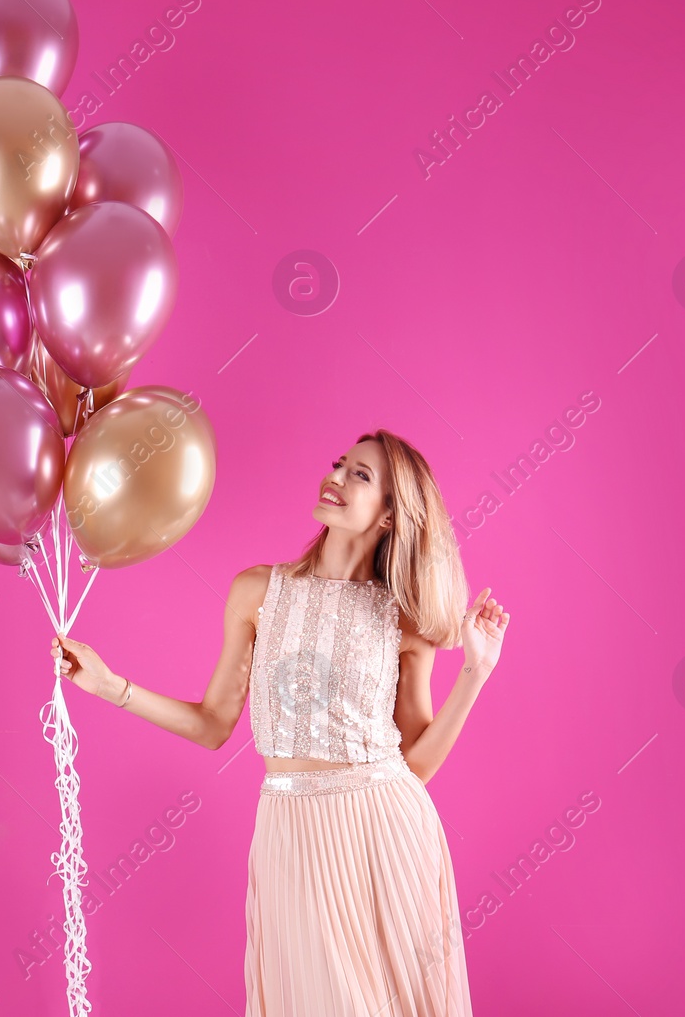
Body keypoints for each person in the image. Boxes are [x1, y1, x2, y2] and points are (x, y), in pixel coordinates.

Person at [50, 429, 509, 1016]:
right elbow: (214, 723)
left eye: (359, 475)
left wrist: (476, 670)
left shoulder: (403, 618)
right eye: (338, 463)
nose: (335, 477)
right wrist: (112, 686)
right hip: (288, 829)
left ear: (392, 515)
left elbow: (415, 763)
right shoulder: (257, 591)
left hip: (382, 827)